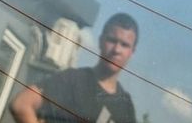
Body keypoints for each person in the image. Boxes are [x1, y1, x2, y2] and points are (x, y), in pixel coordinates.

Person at [10, 13, 138, 123]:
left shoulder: (125, 105)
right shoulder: (73, 80)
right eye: (112, 40)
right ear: (101, 41)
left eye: (124, 45)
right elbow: (21, 104)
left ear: (132, 52)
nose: (116, 50)